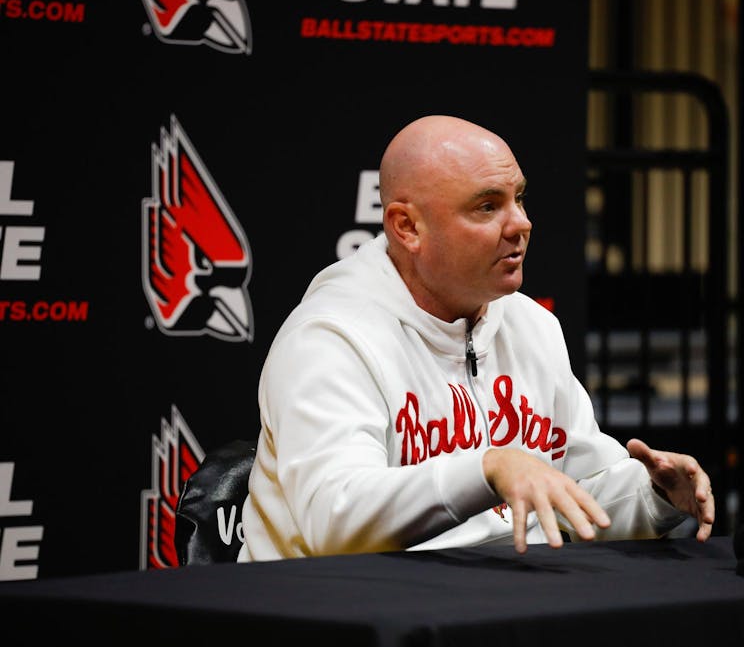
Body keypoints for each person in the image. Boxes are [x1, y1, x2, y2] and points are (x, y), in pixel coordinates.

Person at [237, 115, 714, 561]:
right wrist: (486, 470)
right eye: (487, 206)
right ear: (407, 227)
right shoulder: (330, 338)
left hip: (494, 600)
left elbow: (580, 491)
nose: (521, 224)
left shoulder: (532, 325)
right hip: (340, 612)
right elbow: (336, 519)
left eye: (519, 198)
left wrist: (653, 496)